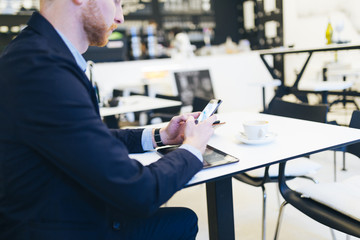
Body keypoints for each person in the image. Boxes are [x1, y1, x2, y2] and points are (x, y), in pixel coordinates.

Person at [0, 0, 217, 239]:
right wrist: (192, 149)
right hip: (58, 225)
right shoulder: (43, 69)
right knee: (183, 221)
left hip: (57, 210)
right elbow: (140, 194)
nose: (120, 17)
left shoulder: (33, 53)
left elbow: (86, 139)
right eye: (115, 2)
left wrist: (161, 136)